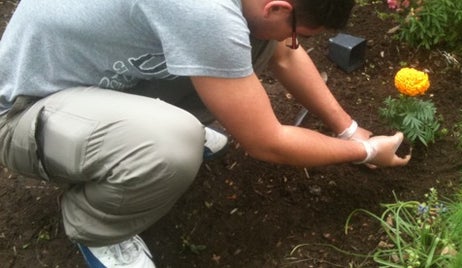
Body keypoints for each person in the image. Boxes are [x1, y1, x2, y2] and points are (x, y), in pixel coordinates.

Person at [0, 0, 411, 266]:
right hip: (26, 113)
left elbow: (284, 55)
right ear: (278, 7)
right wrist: (366, 153)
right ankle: (98, 228)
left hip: (97, 80)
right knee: (172, 144)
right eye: (297, 31)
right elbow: (266, 142)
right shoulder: (203, 13)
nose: (293, 42)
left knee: (256, 41)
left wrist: (349, 130)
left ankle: (134, 134)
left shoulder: (246, 7)